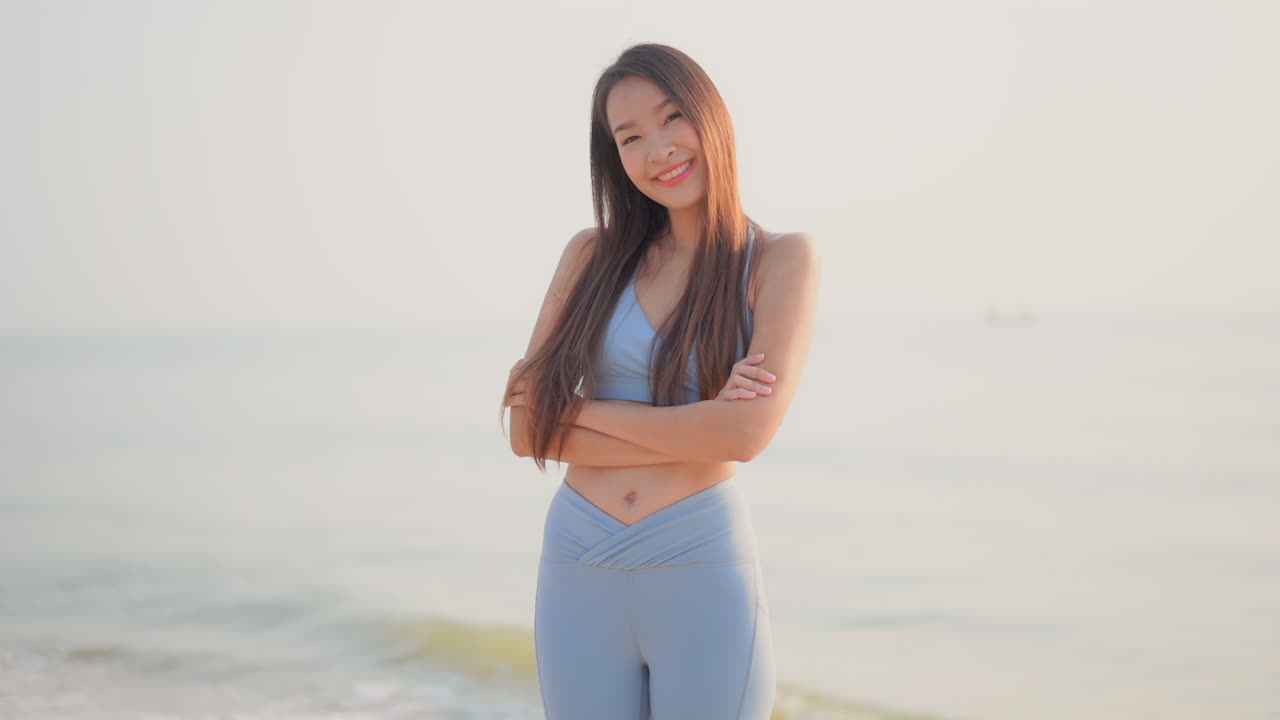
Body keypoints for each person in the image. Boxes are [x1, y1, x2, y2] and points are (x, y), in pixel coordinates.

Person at [500, 43, 819, 720]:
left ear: (711, 116)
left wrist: (580, 410)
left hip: (698, 561)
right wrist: (700, 423)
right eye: (631, 138)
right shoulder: (590, 257)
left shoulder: (779, 260)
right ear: (614, 157)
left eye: (672, 118)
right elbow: (527, 431)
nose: (659, 150)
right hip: (578, 560)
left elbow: (744, 435)